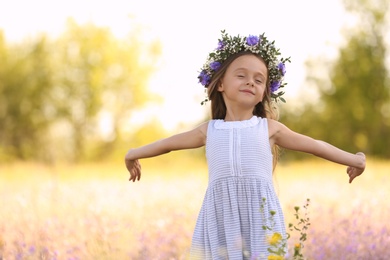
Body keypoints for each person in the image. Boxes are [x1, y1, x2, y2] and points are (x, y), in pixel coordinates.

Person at [125, 30, 366, 259]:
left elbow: (315, 145)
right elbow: (168, 144)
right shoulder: (209, 130)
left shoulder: (268, 128)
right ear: (220, 84)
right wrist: (133, 154)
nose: (250, 82)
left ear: (263, 93)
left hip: (260, 218)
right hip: (220, 219)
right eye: (241, 75)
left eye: (258, 80)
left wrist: (355, 160)